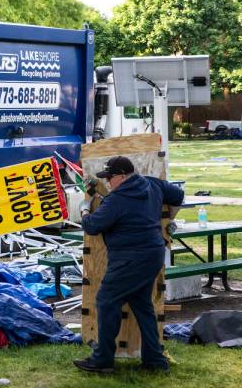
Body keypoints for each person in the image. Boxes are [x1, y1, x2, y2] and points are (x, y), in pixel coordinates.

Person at [73, 156, 184, 374]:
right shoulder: (151, 183)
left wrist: (85, 210)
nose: (107, 183)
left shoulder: (118, 199)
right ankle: (154, 361)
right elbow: (178, 195)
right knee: (142, 306)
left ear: (122, 176)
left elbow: (93, 226)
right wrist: (169, 219)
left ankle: (102, 359)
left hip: (129, 259)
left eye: (110, 178)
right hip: (152, 255)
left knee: (106, 301)